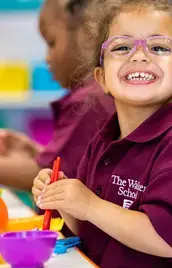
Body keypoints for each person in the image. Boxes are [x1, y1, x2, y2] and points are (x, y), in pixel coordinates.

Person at [32, 0, 172, 268]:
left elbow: (166, 238)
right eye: (121, 47)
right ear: (101, 78)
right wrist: (65, 201)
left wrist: (89, 205)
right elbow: (96, 229)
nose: (139, 55)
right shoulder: (104, 141)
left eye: (158, 48)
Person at [0, 0, 114, 191]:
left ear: (86, 34)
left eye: (52, 43)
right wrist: (36, 151)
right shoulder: (98, 93)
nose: (47, 57)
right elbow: (76, 167)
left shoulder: (89, 100)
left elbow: (49, 176)